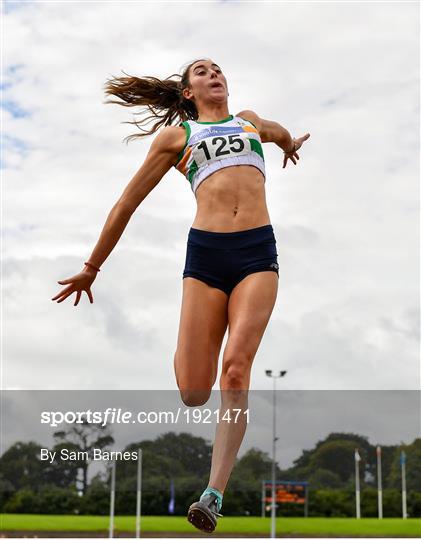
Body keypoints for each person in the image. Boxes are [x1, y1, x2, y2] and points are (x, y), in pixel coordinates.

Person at [51, 57, 310, 533]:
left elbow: (278, 132)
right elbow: (126, 203)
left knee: (236, 369)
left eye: (218, 68)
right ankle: (191, 339)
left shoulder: (248, 121)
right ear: (188, 92)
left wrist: (290, 144)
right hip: (206, 257)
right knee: (194, 390)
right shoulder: (177, 139)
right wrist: (91, 268)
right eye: (202, 71)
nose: (215, 74)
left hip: (257, 253)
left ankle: (213, 495)